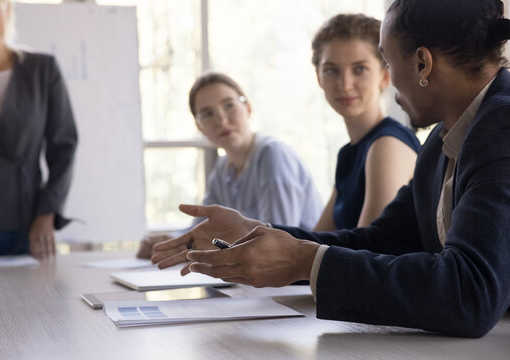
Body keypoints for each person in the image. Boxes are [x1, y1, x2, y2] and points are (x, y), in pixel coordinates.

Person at [153, 0, 510, 338]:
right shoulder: (440, 143)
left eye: (384, 60)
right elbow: (380, 240)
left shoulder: (502, 126)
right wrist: (257, 233)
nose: (385, 77)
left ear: (422, 64)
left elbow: (471, 291)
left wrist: (305, 261)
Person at [137, 72, 322, 258]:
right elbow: (200, 229)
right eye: (208, 114)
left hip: (298, 279)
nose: (222, 120)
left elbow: (274, 242)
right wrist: (168, 242)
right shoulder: (222, 169)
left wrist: (188, 246)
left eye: (229, 105)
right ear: (200, 128)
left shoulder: (273, 155)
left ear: (248, 108)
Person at [0, 0, 77, 258]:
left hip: (27, 222)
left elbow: (64, 148)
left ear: (8, 10)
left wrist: (47, 213)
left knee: (34, 298)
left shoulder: (42, 70)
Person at [310, 14, 420, 231]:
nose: (345, 84)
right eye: (331, 70)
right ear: (319, 78)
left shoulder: (387, 145)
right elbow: (312, 243)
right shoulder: (349, 154)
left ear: (385, 76)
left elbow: (366, 253)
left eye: (359, 69)